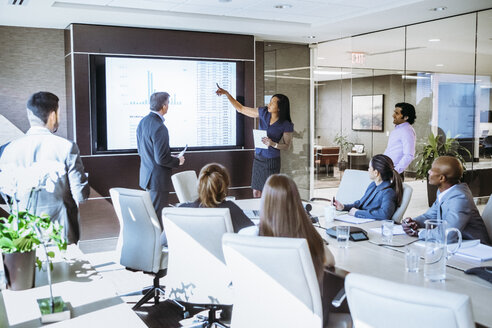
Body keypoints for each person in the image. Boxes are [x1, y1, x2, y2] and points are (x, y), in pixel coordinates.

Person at [0, 91, 89, 244]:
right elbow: (81, 195)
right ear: (53, 115)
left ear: (29, 114)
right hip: (61, 233)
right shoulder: (67, 147)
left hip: (22, 234)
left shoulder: (7, 150)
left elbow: (5, 195)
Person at [216, 85, 293, 198]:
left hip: (271, 160)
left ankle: (267, 214)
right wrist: (227, 94)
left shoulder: (286, 124)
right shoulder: (263, 113)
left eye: (272, 103)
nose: (269, 104)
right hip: (258, 158)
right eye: (270, 101)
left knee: (268, 192)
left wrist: (273, 144)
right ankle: (258, 213)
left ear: (280, 107)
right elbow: (241, 109)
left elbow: (287, 146)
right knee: (256, 192)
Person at [402, 156, 491, 245]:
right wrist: (414, 222)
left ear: (442, 178)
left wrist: (420, 233)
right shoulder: (445, 192)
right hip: (459, 244)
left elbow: (447, 235)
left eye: (432, 170)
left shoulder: (460, 198)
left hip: (476, 249)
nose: (429, 172)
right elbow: (430, 215)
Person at [137, 92, 185, 230]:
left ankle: (152, 246)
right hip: (158, 180)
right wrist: (178, 161)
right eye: (168, 103)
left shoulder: (143, 122)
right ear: (164, 106)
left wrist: (169, 155)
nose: (168, 106)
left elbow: (142, 151)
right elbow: (161, 159)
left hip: (147, 178)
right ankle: (157, 248)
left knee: (151, 216)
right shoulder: (160, 128)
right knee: (157, 219)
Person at [179, 163, 254, 233]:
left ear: (199, 184)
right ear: (225, 186)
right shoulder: (230, 209)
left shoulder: (181, 210)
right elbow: (254, 235)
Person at [333, 154, 403, 220]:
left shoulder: (388, 191)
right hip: (360, 221)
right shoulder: (373, 185)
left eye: (369, 168)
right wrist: (343, 207)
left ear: (376, 173)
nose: (368, 170)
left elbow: (385, 214)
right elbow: (360, 203)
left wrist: (357, 213)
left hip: (372, 225)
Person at [384, 102, 416, 179]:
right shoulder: (397, 129)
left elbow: (409, 155)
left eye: (397, 113)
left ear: (406, 117)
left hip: (394, 171)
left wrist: (395, 171)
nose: (393, 115)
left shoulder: (407, 131)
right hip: (388, 168)